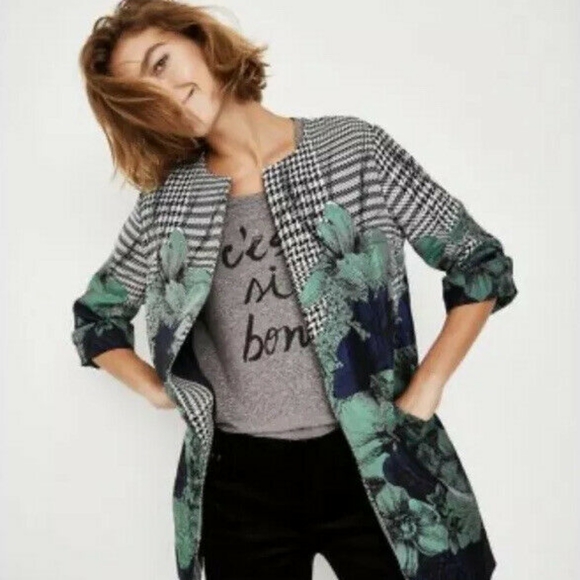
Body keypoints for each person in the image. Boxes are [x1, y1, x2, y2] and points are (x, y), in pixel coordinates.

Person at [71, 1, 518, 579]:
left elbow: (477, 261)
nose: (162, 92)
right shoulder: (167, 206)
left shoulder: (352, 151)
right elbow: (97, 318)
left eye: (161, 63)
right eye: (141, 93)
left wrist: (428, 384)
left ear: (203, 42)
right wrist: (158, 391)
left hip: (374, 456)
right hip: (241, 481)